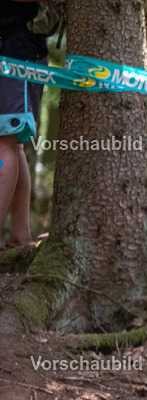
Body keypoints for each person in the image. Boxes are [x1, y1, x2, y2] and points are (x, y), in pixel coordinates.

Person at [0, 0, 48, 248]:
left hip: (19, 51)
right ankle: (20, 237)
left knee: (6, 141)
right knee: (9, 144)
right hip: (10, 47)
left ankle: (19, 236)